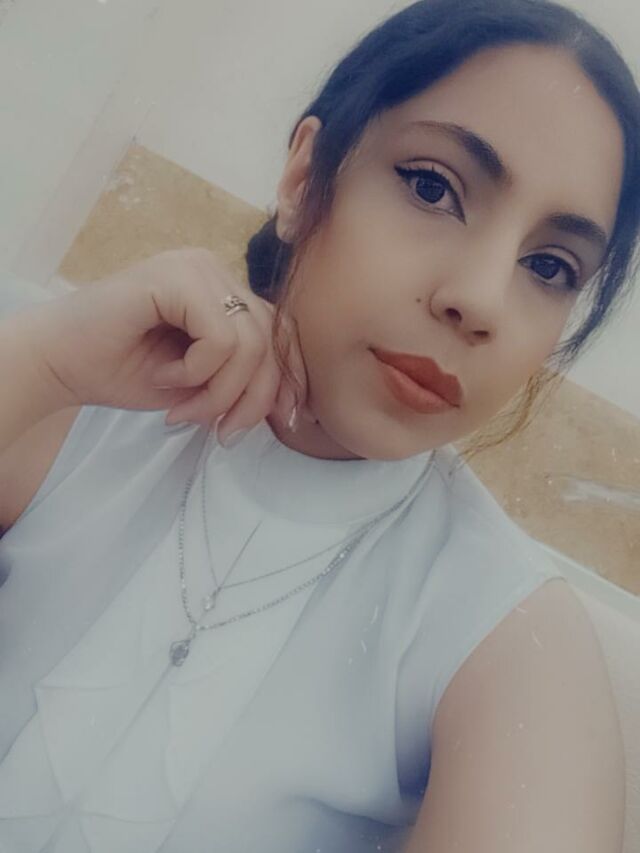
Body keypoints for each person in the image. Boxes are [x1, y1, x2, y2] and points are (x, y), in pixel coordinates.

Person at [0, 0, 637, 849]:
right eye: (433, 186)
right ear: (305, 179)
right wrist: (43, 362)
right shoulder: (70, 392)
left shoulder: (509, 642)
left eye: (550, 267)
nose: (481, 299)